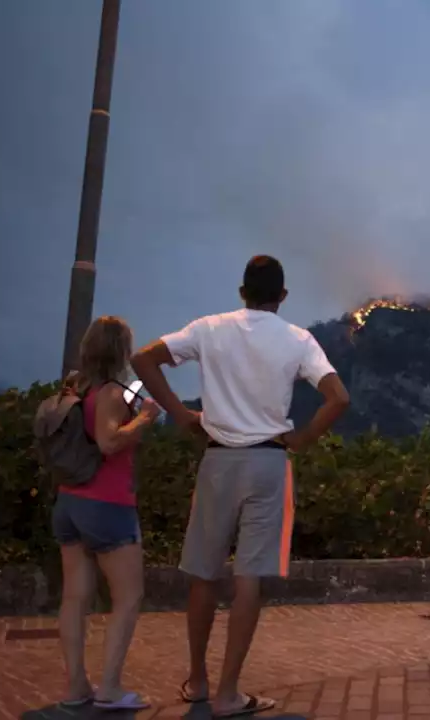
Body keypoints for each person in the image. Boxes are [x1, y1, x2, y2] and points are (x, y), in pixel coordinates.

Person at [131, 255, 350, 717]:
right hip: (270, 461)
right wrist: (304, 437)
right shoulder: (298, 340)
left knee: (204, 573)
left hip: (218, 458)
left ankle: (198, 681)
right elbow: (338, 398)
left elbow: (143, 358)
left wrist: (181, 413)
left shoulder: (210, 328)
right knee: (249, 576)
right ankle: (230, 693)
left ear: (241, 291)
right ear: (283, 296)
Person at [53, 317, 161, 711]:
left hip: (69, 501)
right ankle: (111, 689)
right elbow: (109, 442)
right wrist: (146, 418)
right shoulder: (113, 393)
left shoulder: (76, 388)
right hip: (108, 505)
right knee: (129, 597)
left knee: (74, 597)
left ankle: (75, 688)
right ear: (121, 351)